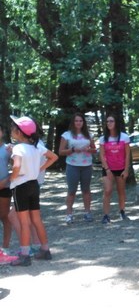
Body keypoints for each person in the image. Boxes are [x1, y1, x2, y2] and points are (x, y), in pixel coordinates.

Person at [9, 116, 58, 266]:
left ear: (18, 132)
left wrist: (13, 177)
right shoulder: (37, 146)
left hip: (21, 187)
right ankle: (45, 249)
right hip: (33, 185)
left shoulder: (18, 148)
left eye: (13, 127)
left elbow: (16, 166)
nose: (11, 129)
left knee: (24, 222)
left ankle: (24, 256)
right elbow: (54, 157)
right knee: (36, 219)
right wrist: (39, 168)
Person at [59, 112, 96, 224]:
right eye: (76, 121)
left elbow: (94, 150)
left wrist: (88, 150)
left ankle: (87, 212)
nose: (78, 123)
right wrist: (72, 150)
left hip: (86, 166)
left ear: (83, 122)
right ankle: (69, 214)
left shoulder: (89, 135)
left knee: (86, 190)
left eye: (80, 121)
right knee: (71, 191)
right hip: (72, 165)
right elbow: (60, 151)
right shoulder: (67, 135)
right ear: (73, 122)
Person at [99, 114, 131, 224]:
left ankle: (122, 211)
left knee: (121, 191)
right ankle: (106, 215)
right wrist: (107, 169)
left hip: (121, 168)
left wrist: (126, 169)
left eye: (111, 121)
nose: (109, 123)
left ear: (116, 123)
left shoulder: (124, 137)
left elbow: (127, 155)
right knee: (107, 190)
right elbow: (102, 155)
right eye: (107, 121)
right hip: (108, 168)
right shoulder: (103, 139)